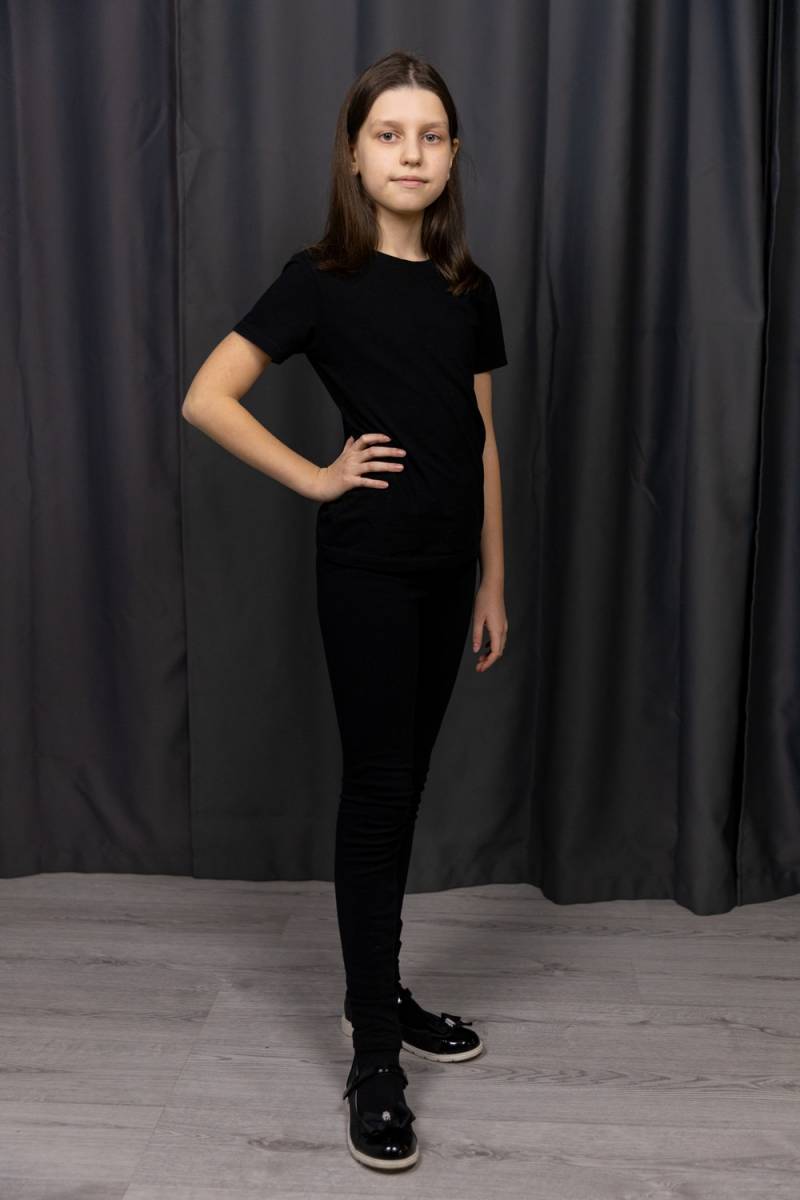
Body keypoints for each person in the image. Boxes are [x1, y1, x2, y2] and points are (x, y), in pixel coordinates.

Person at [182, 49, 509, 1171]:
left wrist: (493, 579)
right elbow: (208, 396)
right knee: (376, 794)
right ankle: (375, 1053)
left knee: (404, 788)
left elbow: (481, 442)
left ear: (452, 155)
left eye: (430, 135)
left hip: (446, 574)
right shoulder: (320, 279)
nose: (410, 153)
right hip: (368, 569)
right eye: (388, 134)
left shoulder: (467, 288)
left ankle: (380, 987)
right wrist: (318, 477)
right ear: (356, 155)